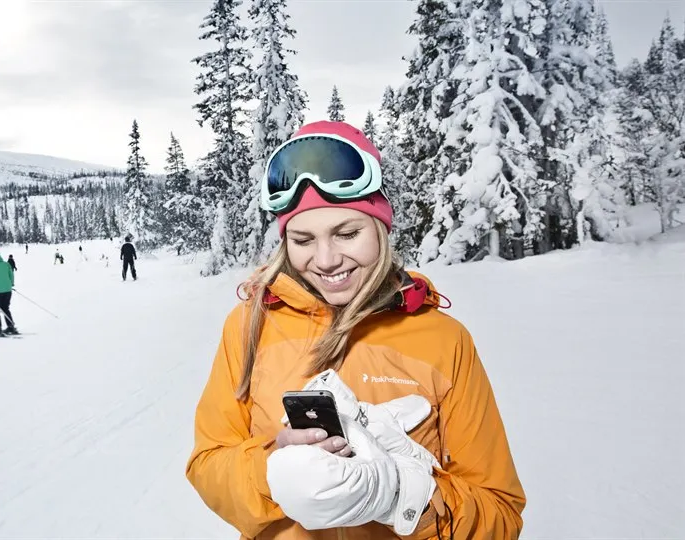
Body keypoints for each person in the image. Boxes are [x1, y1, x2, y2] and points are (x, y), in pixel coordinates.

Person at [185, 121, 525, 539]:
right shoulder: (250, 326)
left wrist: (401, 496)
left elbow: (500, 515)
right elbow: (207, 465)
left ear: (381, 227)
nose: (326, 259)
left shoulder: (443, 340)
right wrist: (270, 469)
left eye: (347, 233)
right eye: (303, 239)